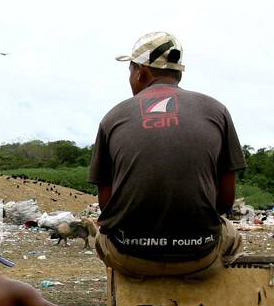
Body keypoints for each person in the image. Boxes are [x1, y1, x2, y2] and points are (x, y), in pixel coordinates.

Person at [90, 31, 246, 280]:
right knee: (233, 236)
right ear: (178, 73)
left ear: (141, 71)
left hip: (130, 256)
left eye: (130, 72)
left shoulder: (114, 116)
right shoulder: (216, 110)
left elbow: (106, 206)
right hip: (200, 255)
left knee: (100, 235)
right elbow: (226, 200)